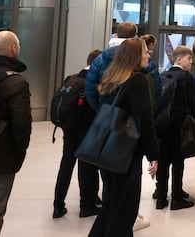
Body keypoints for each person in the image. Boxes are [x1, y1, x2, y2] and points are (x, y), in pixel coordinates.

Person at [89, 38, 159, 237]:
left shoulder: (112, 78)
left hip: (107, 148)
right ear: (136, 56)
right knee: (124, 211)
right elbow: (145, 121)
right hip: (126, 152)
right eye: (145, 52)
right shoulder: (138, 81)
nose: (148, 55)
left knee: (111, 205)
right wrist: (153, 154)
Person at [0, 31, 31, 236]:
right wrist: (20, 153)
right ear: (14, 48)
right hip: (1, 155)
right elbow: (21, 125)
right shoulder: (15, 82)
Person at [52, 49, 102, 219]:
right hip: (86, 129)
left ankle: (58, 205)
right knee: (86, 166)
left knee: (66, 165)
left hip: (68, 128)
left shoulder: (71, 78)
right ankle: (86, 205)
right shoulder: (93, 81)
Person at [154, 46, 195, 211]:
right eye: (189, 59)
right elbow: (192, 103)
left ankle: (161, 196)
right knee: (178, 161)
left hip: (163, 125)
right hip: (180, 126)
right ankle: (177, 196)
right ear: (179, 59)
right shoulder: (187, 78)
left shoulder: (162, 76)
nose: (191, 62)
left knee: (163, 161)